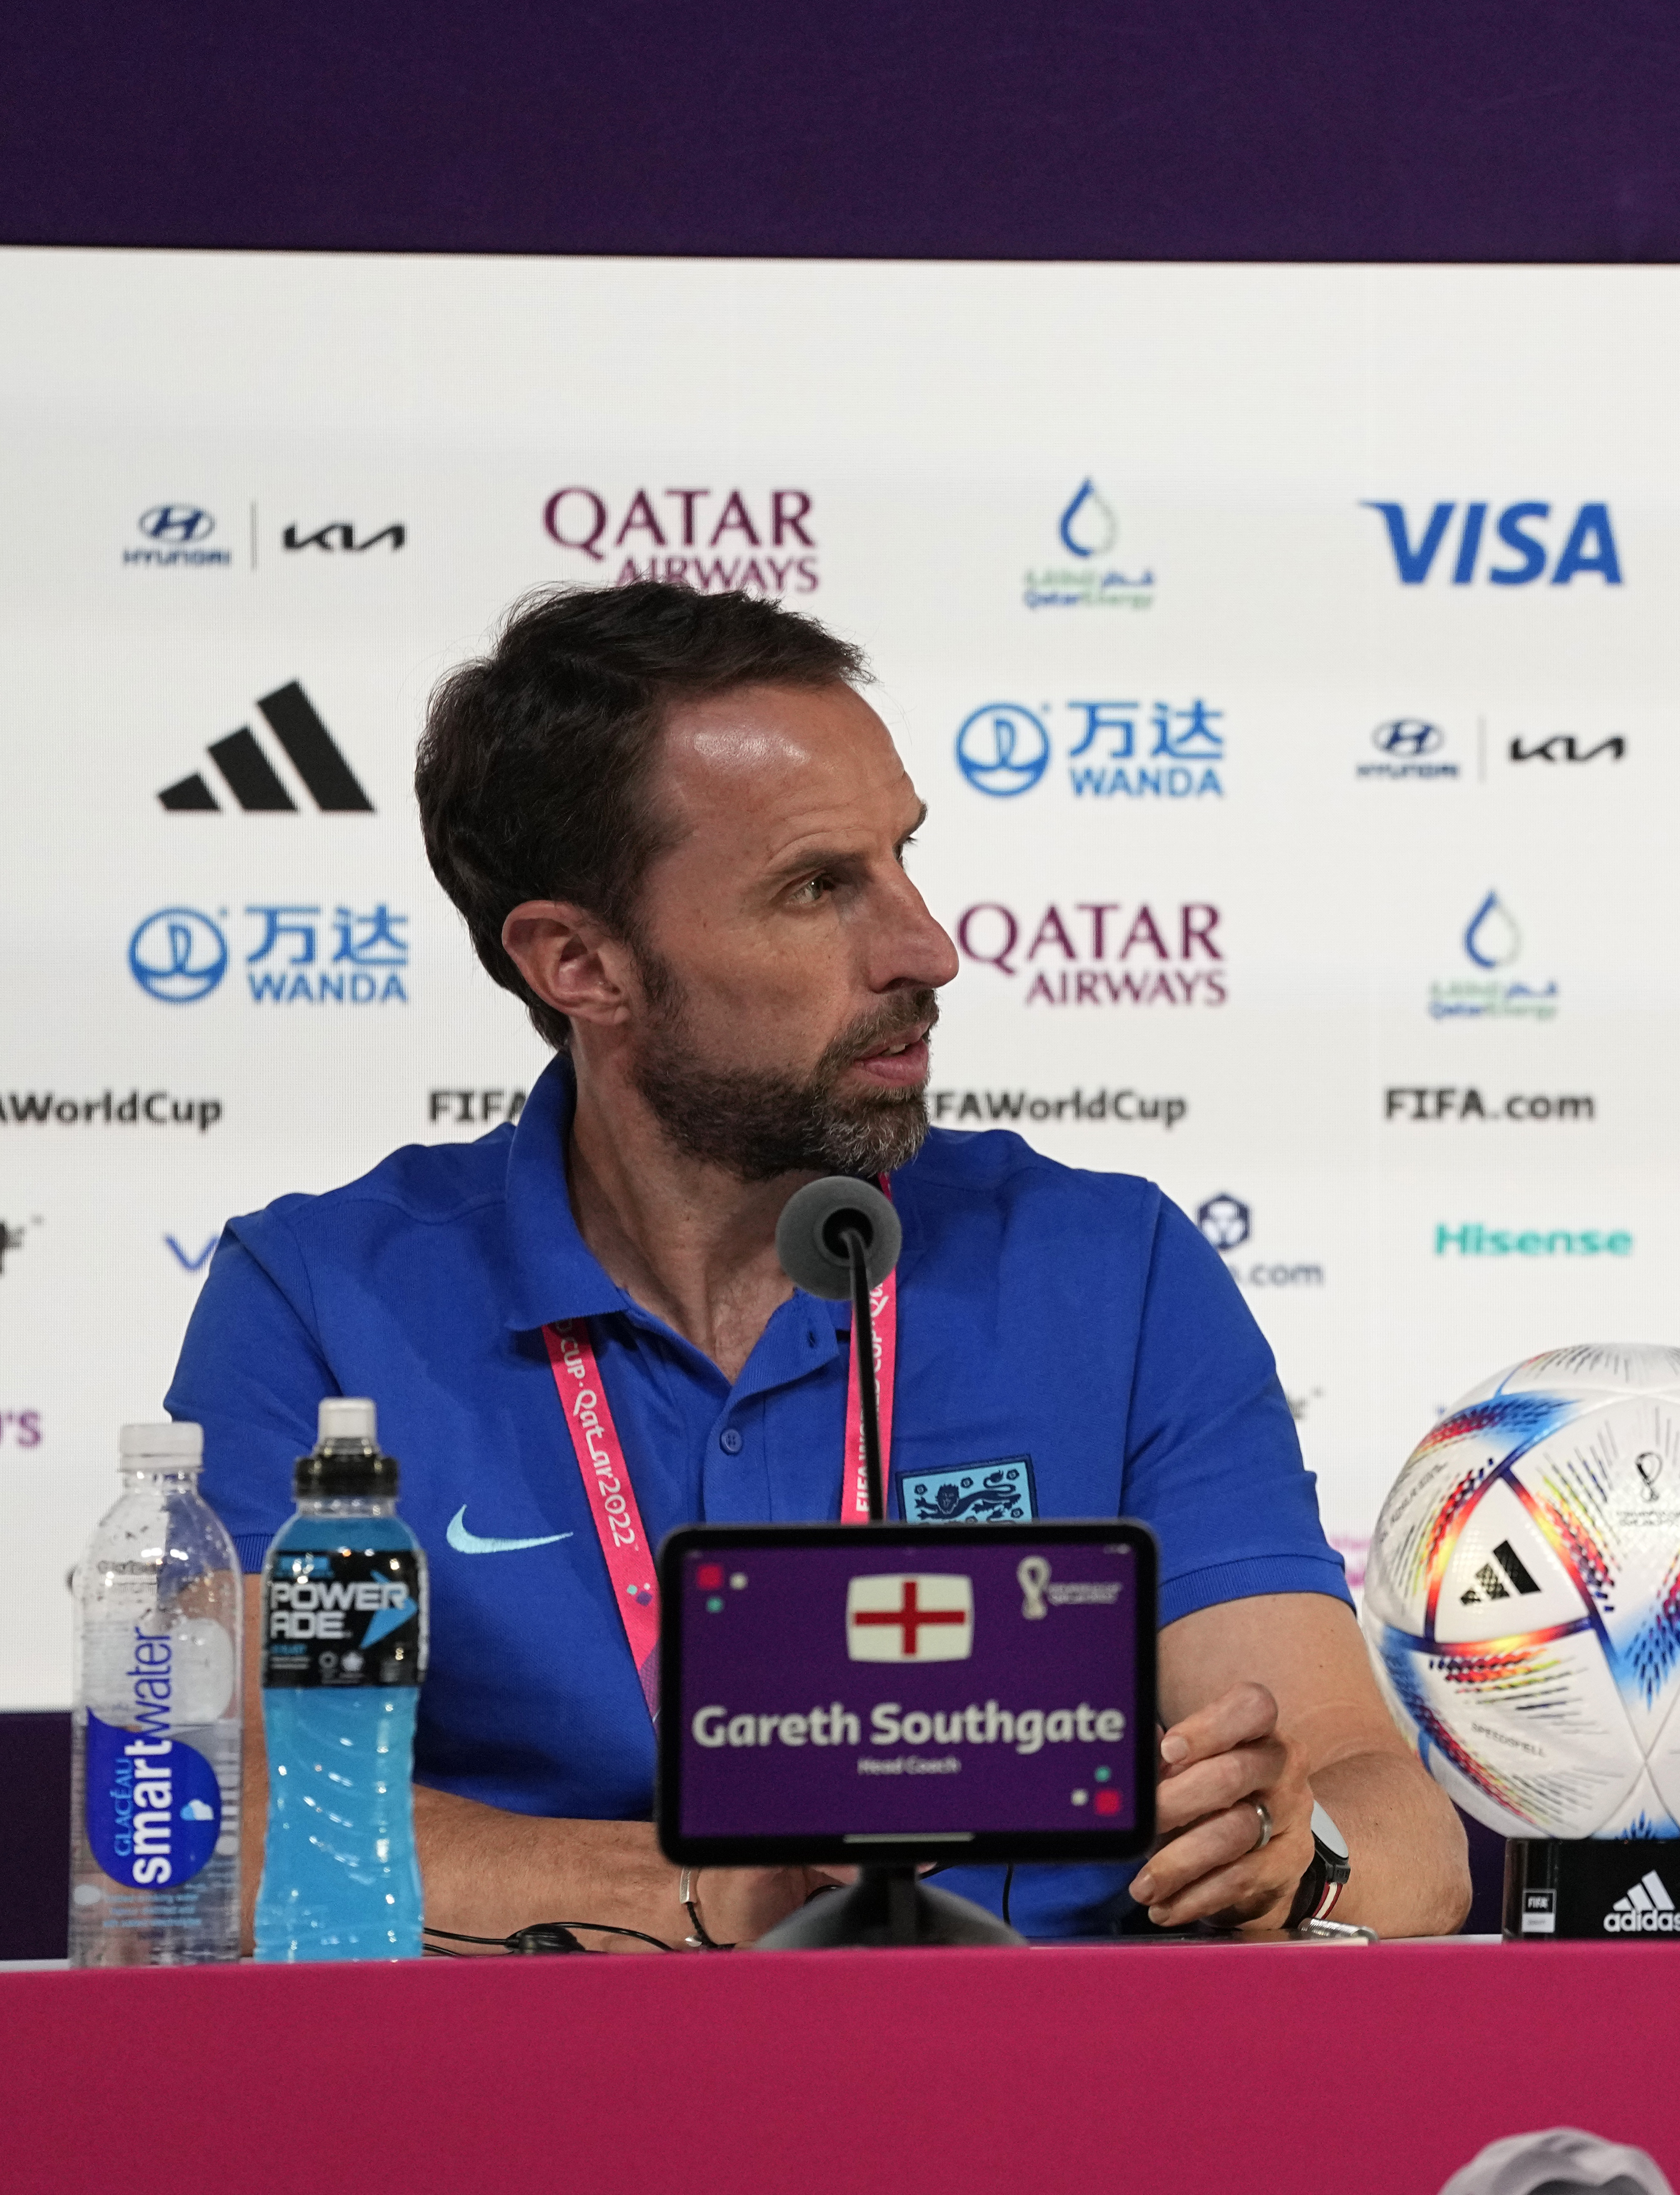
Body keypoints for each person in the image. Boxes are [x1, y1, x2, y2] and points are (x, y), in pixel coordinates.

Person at [172, 581, 1469, 1946]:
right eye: (816, 889)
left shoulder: (1110, 1269)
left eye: (906, 856)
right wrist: (698, 1887)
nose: (929, 949)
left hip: (1039, 2123)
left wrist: (1297, 1855)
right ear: (580, 963)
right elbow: (230, 1817)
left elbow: (1390, 1821)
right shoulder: (324, 1302)